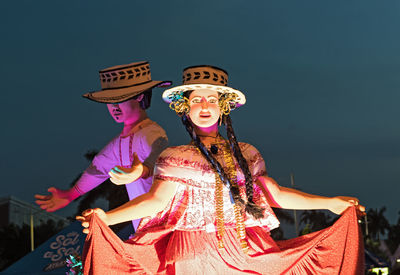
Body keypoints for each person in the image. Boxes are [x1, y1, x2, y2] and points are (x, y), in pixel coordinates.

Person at [77, 65, 366, 274]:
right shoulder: (174, 157)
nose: (204, 106)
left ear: (223, 107)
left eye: (212, 100)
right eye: (197, 100)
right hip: (194, 250)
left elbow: (275, 193)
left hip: (248, 248)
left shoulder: (248, 153)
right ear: (184, 108)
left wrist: (330, 204)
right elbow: (156, 201)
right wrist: (108, 217)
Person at [35, 61, 171, 230]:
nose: (113, 107)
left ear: (139, 96)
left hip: (163, 226)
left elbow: (161, 157)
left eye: (119, 100)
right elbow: (98, 169)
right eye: (109, 101)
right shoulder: (121, 141)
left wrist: (143, 170)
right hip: (144, 228)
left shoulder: (150, 133)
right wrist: (70, 195)